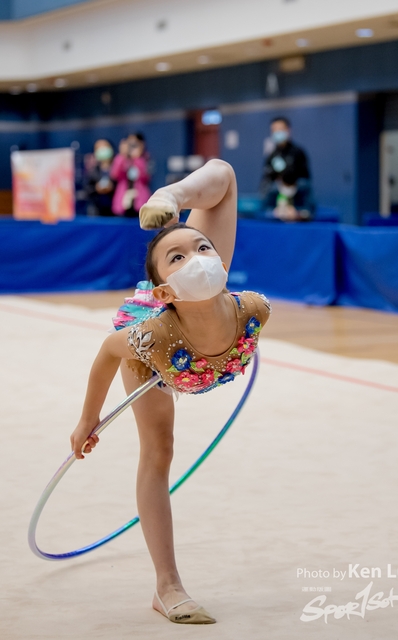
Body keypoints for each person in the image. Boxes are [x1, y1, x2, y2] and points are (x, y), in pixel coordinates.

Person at [69, 159, 271, 625]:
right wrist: (88, 418)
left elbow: (222, 178)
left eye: (203, 249)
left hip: (203, 331)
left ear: (222, 262)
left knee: (224, 173)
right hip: (160, 363)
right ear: (163, 292)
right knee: (159, 450)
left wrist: (177, 207)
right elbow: (108, 350)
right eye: (177, 260)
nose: (196, 259)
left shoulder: (255, 309)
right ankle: (167, 586)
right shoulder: (152, 335)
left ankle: (171, 197)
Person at [261, 116, 314, 221]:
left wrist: (297, 212)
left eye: (280, 129)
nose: (277, 133)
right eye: (274, 130)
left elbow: (306, 181)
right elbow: (266, 182)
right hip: (276, 205)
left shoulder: (298, 153)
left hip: (298, 202)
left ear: (288, 130)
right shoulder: (271, 156)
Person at [110, 132, 151, 217]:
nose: (131, 147)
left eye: (134, 144)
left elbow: (145, 177)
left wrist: (137, 158)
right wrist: (122, 155)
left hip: (140, 201)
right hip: (122, 201)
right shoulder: (121, 159)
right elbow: (114, 175)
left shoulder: (145, 159)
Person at [83, 139, 116, 217]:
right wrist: (96, 189)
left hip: (116, 214)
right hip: (97, 213)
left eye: (105, 147)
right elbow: (87, 190)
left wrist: (113, 187)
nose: (102, 150)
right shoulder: (92, 172)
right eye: (99, 148)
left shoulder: (119, 169)